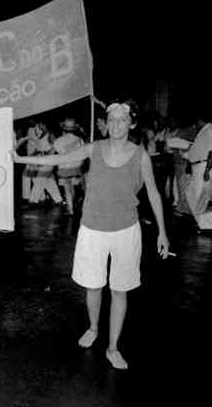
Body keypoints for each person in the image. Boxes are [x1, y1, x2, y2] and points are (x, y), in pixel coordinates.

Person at [12, 101, 169, 370]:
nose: (116, 124)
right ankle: (94, 328)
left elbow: (153, 193)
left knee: (120, 290)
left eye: (122, 120)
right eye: (112, 119)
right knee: (93, 285)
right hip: (93, 230)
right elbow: (58, 159)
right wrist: (21, 159)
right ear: (106, 123)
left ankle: (113, 347)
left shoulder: (140, 154)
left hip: (126, 231)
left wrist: (162, 233)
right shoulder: (94, 149)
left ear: (131, 124)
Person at [183, 113, 212, 232]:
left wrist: (207, 170)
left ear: (200, 120)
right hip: (198, 166)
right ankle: (203, 223)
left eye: (197, 122)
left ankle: (205, 224)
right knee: (192, 194)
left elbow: (211, 151)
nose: (196, 124)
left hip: (203, 166)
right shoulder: (203, 131)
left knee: (199, 197)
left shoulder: (210, 130)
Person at [53, 117, 85, 215]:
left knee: (67, 188)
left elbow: (57, 153)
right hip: (76, 167)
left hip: (64, 168)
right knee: (73, 187)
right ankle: (71, 205)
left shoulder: (58, 141)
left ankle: (70, 209)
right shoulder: (80, 140)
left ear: (63, 128)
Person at [27, 121, 63, 206]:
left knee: (39, 179)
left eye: (41, 125)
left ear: (45, 125)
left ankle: (33, 200)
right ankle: (59, 200)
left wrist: (47, 153)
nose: (39, 127)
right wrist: (34, 154)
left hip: (48, 161)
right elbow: (39, 147)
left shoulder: (50, 135)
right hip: (41, 160)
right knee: (49, 181)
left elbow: (56, 146)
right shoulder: (42, 135)